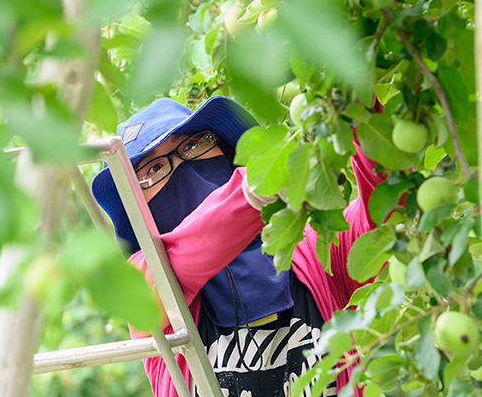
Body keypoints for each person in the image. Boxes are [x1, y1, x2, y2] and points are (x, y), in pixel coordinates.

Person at [91, 96, 384, 397]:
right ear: (137, 208)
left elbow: (385, 220)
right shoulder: (142, 280)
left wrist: (364, 114)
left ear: (225, 151)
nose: (181, 168)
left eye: (192, 145)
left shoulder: (314, 248)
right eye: (152, 170)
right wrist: (253, 192)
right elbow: (185, 255)